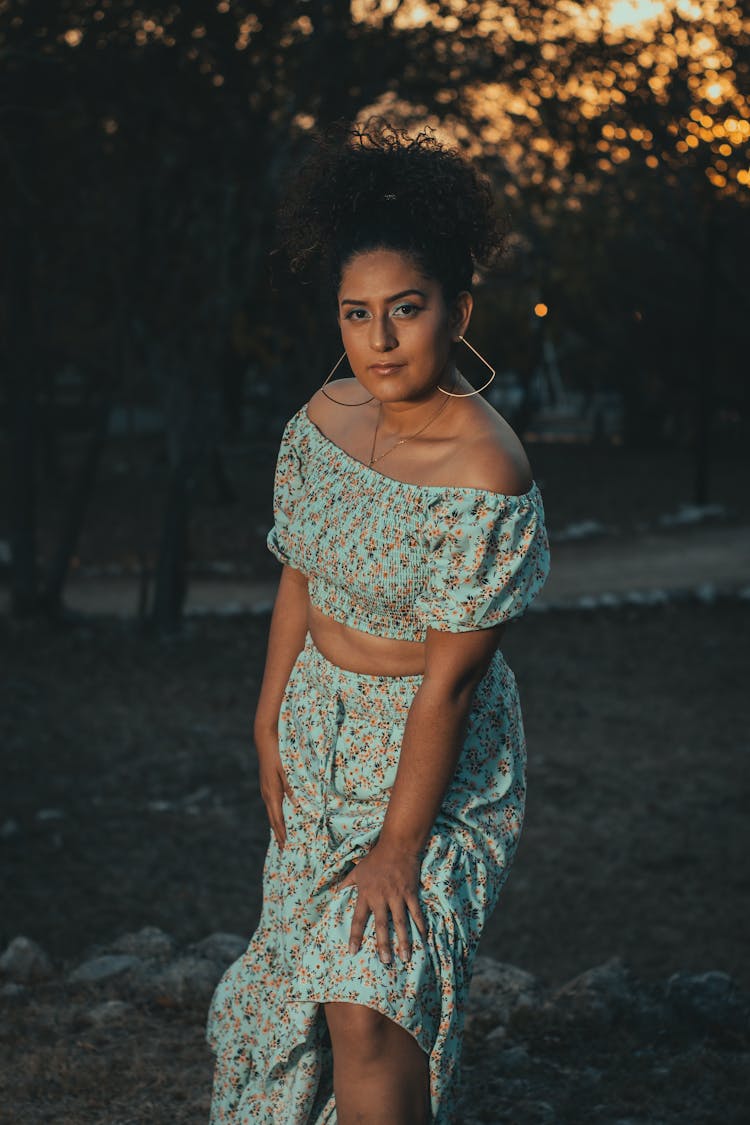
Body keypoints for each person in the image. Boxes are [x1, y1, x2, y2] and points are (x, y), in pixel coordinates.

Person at [205, 119, 551, 1125]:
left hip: (431, 760)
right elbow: (299, 577)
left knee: (370, 998)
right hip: (318, 730)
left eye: (407, 309)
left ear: (459, 308)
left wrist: (399, 845)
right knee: (298, 1001)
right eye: (358, 314)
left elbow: (452, 680)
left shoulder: (488, 469)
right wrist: (267, 719)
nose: (381, 339)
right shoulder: (323, 416)